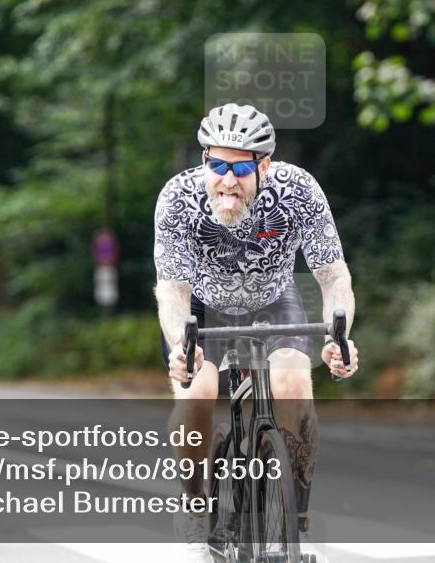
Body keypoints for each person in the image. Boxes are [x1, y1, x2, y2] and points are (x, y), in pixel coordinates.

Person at [154, 103, 358, 562]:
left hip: (273, 302)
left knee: (292, 385)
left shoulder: (297, 190)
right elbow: (172, 288)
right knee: (196, 397)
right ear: (204, 159)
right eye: (217, 165)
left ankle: (297, 521)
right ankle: (194, 507)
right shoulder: (178, 197)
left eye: (241, 167)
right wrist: (178, 345)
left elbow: (332, 275)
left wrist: (338, 335)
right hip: (203, 309)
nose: (228, 180)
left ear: (264, 164)